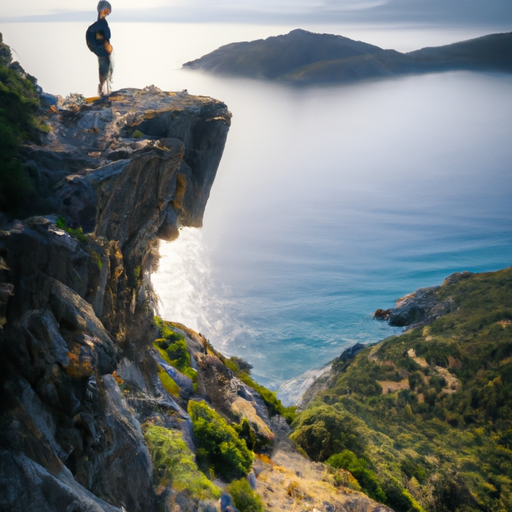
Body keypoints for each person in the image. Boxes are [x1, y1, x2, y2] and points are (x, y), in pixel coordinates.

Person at [86, 1, 114, 96]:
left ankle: (105, 90)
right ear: (103, 10)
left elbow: (104, 35)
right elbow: (94, 32)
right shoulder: (100, 23)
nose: (109, 13)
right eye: (107, 10)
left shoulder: (101, 23)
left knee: (107, 67)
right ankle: (103, 91)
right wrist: (101, 45)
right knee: (105, 66)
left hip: (101, 49)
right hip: (101, 49)